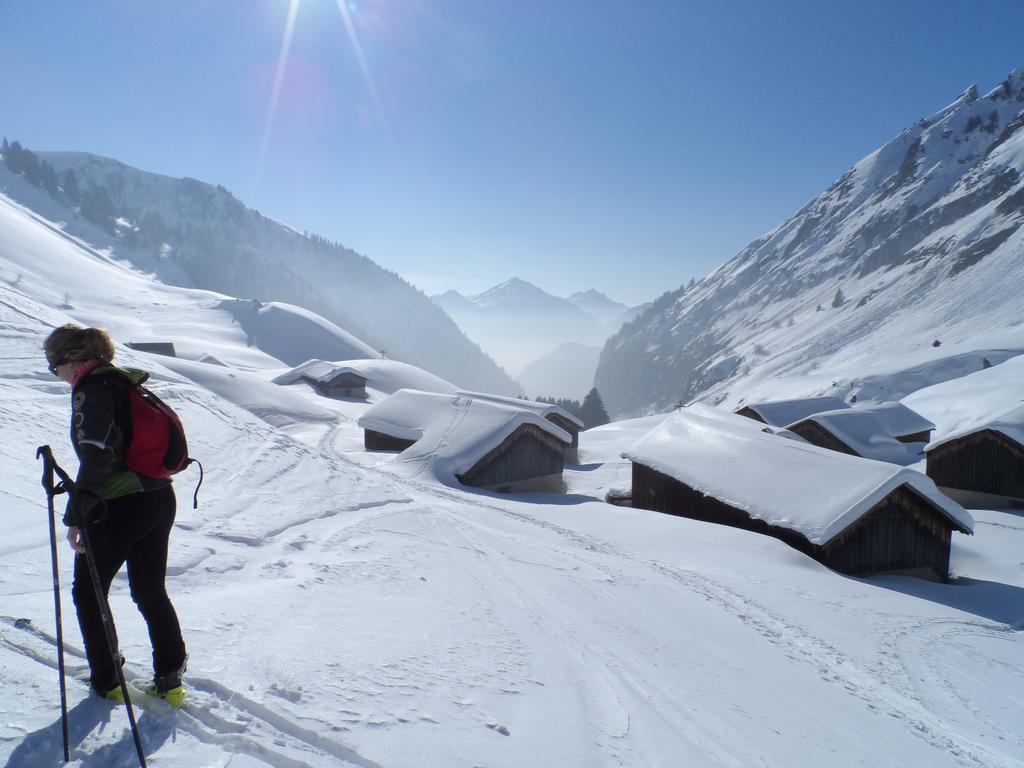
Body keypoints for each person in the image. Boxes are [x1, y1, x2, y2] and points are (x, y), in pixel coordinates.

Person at [44, 324, 187, 705]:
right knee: (150, 590)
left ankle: (107, 680)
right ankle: (170, 678)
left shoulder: (91, 391)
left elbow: (97, 456)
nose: (55, 375)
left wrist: (76, 515)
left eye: (53, 367)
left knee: (88, 592)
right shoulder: (127, 384)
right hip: (159, 497)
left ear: (70, 361)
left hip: (120, 506)